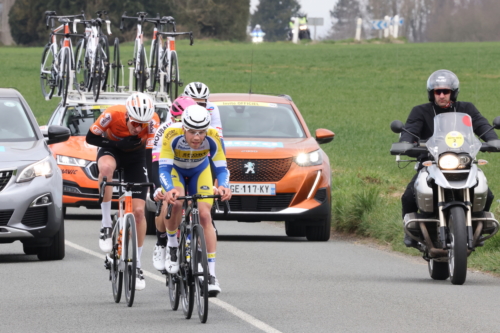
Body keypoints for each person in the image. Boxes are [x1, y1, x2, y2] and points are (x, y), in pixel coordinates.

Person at [400, 69, 498, 248]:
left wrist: (493, 141)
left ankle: (477, 226)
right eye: (438, 91)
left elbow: (482, 125)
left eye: (446, 91)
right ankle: (413, 234)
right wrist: (405, 143)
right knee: (408, 196)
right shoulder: (421, 111)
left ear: (453, 92)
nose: (442, 95)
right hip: (431, 162)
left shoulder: (466, 109)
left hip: (463, 162)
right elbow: (411, 130)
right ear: (432, 93)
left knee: (487, 193)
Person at [85, 92, 160, 290]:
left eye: (142, 125)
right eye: (135, 123)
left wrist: (153, 183)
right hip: (112, 149)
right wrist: (117, 143)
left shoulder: (152, 122)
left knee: (138, 212)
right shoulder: (113, 114)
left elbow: (151, 153)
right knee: (106, 169)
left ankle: (137, 265)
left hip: (137, 156)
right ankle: (106, 225)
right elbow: (91, 137)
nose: (138, 128)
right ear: (126, 115)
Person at [157, 104, 232, 296]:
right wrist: (168, 190)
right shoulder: (171, 134)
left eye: (201, 132)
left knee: (205, 215)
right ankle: (173, 246)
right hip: (176, 171)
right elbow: (163, 168)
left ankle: (211, 276)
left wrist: (223, 186)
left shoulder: (214, 137)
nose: (197, 137)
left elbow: (222, 168)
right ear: (183, 128)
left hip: (200, 171)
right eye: (192, 132)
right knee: (177, 202)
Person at [150, 95, 198, 271]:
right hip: (170, 167)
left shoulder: (200, 130)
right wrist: (157, 187)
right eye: (179, 119)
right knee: (168, 200)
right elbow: (156, 163)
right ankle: (162, 242)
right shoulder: (165, 131)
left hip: (193, 167)